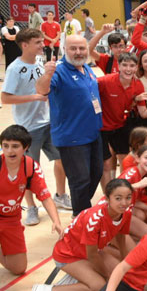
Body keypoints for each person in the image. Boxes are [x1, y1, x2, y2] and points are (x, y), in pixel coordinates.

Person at [1, 28, 71, 227]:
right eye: (38, 42)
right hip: (28, 127)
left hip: (49, 122)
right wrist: (35, 97)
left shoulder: (40, 63)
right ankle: (31, 207)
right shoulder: (15, 68)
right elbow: (5, 98)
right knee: (30, 170)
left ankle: (61, 195)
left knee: (61, 159)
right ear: (25, 45)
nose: (43, 45)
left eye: (42, 41)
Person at [37, 34, 103, 216]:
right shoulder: (58, 71)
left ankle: (81, 207)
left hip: (93, 132)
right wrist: (47, 74)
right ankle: (80, 216)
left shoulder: (86, 68)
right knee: (79, 180)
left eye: (82, 48)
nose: (78, 52)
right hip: (72, 137)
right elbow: (42, 90)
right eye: (73, 48)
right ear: (65, 50)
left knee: (96, 173)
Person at [33, 179, 134, 291]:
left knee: (122, 275)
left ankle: (81, 274)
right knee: (100, 285)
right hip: (67, 255)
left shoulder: (126, 212)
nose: (124, 203)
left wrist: (127, 264)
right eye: (118, 198)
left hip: (89, 251)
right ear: (107, 199)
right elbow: (92, 255)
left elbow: (121, 238)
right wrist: (107, 275)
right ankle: (46, 289)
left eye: (128, 197)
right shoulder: (94, 220)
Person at [0, 125, 63, 275]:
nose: (9, 151)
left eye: (15, 146)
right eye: (5, 146)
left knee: (18, 268)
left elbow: (45, 197)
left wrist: (56, 221)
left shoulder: (31, 167)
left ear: (26, 147)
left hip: (11, 219)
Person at [97, 52, 147, 191]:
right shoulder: (104, 81)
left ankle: (124, 190)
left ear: (136, 67)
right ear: (118, 66)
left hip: (121, 125)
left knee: (125, 160)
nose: (128, 69)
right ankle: (108, 195)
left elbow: (143, 114)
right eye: (125, 65)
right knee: (107, 164)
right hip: (102, 128)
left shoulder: (138, 84)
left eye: (132, 66)